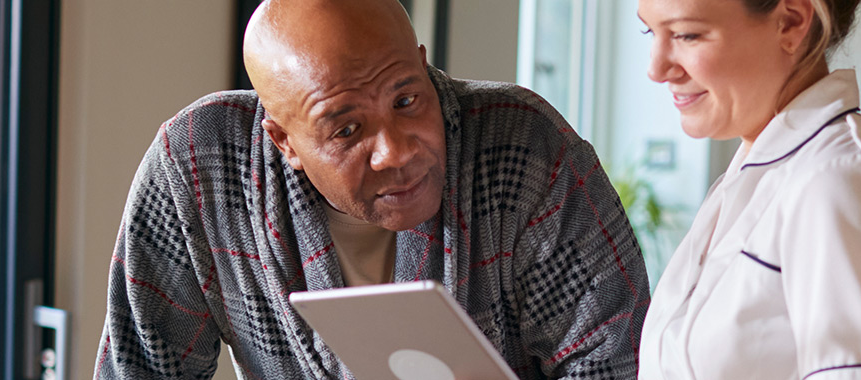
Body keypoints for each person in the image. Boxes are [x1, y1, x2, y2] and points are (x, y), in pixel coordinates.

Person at [92, 1, 649, 378]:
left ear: (424, 67)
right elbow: (140, 366)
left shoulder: (525, 149)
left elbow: (617, 362)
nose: (397, 151)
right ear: (283, 141)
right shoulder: (200, 166)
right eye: (347, 129)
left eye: (408, 99)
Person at [634, 0, 861, 379]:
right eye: (651, 32)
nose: (656, 69)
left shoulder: (843, 183)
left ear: (791, 21)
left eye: (687, 34)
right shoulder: (751, 181)